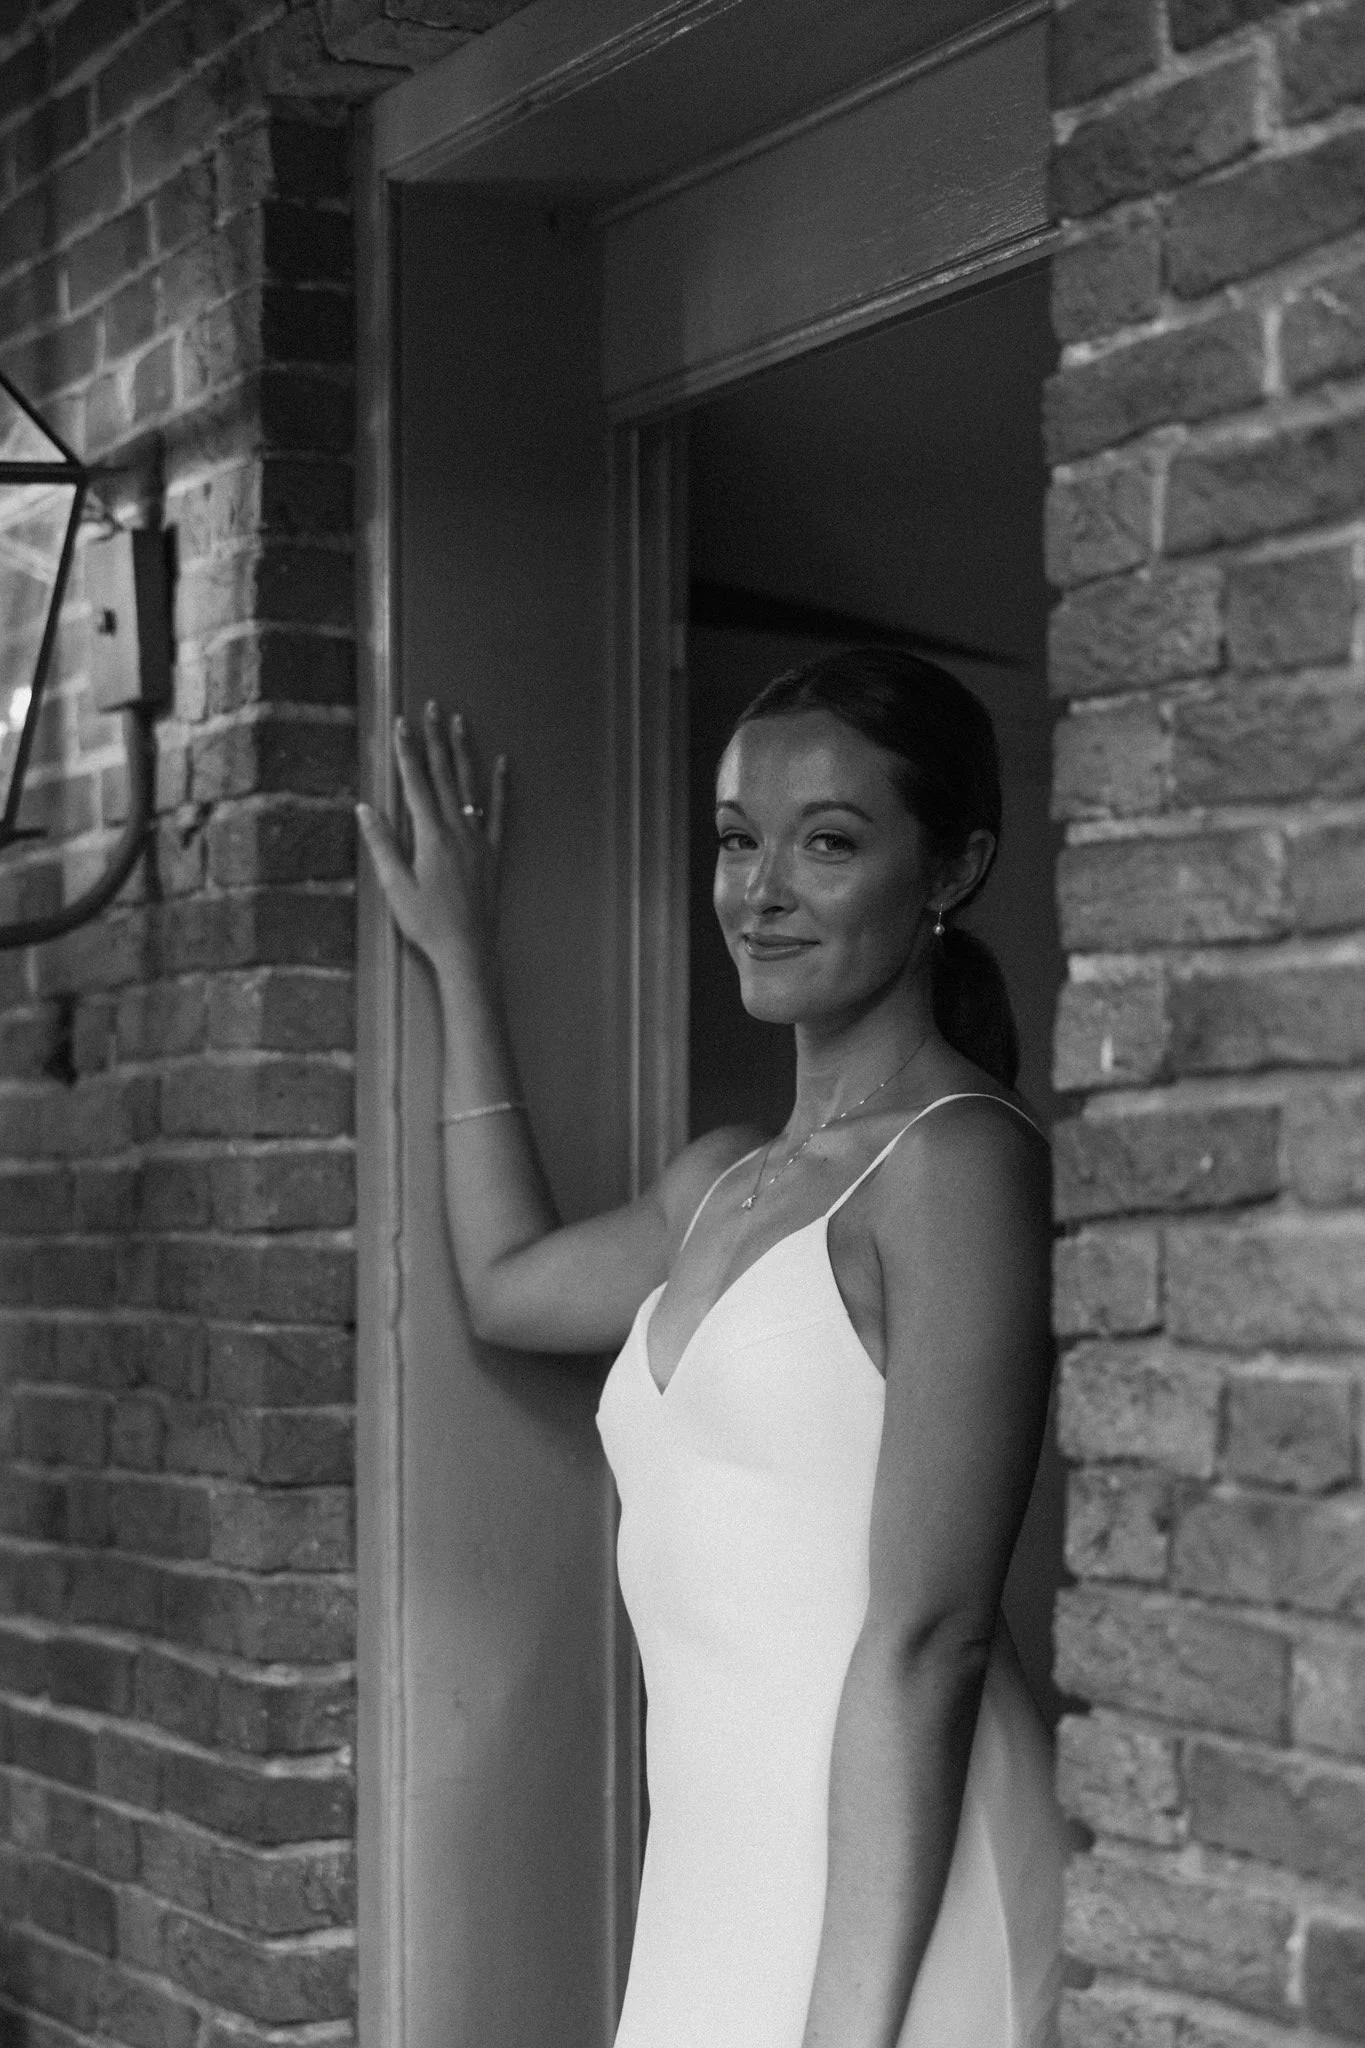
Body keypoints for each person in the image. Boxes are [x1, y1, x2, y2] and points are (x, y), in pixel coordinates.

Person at [357, 646, 1066, 2048]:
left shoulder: (959, 1165)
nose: (763, 888)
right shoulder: (724, 1184)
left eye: (831, 843)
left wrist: (842, 2032)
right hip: (717, 1887)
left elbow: (933, 1636)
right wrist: (460, 960)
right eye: (740, 840)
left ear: (951, 868)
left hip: (901, 1912)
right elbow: (505, 1286)